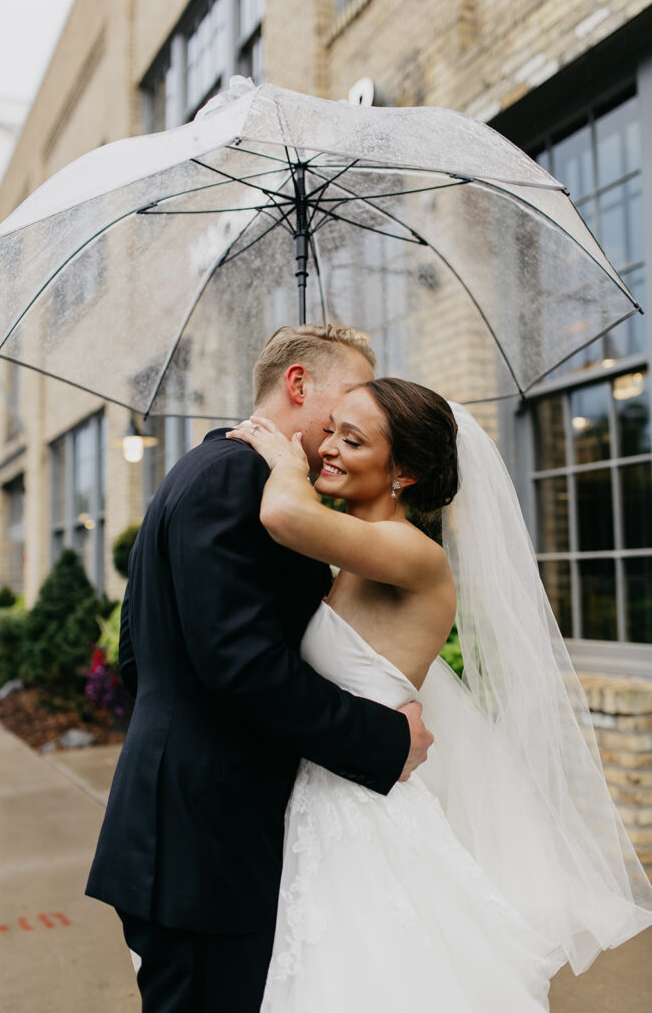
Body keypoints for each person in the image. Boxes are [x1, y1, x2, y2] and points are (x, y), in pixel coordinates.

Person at [227, 376, 652, 1012]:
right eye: (330, 430)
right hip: (325, 802)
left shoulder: (412, 552)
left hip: (364, 818)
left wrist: (283, 460)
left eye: (352, 439)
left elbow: (284, 515)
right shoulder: (353, 555)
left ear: (404, 473)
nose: (326, 448)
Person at [85, 326, 434, 1013]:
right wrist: (385, 740)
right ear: (298, 385)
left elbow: (135, 652)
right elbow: (242, 666)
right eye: (343, 404)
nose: (341, 432)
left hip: (191, 826)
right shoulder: (236, 478)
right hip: (203, 841)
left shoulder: (217, 471)